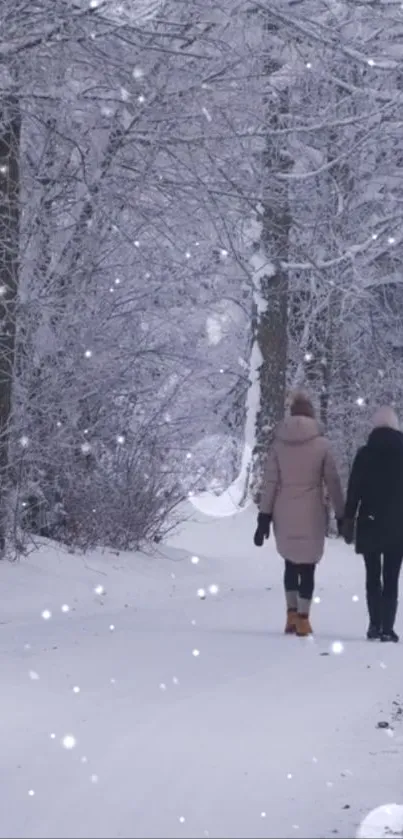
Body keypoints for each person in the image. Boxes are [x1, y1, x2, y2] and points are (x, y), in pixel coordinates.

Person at [254, 391, 344, 637]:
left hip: (284, 511)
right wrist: (341, 514)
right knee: (308, 567)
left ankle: (290, 616)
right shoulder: (322, 445)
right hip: (312, 511)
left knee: (290, 563)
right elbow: (333, 481)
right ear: (311, 415)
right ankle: (304, 618)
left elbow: (270, 483)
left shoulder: (278, 444)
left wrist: (264, 517)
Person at [343, 406, 403, 643]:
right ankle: (388, 627)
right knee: (391, 576)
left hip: (370, 521)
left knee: (372, 575)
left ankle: (374, 624)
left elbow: (354, 489)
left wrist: (348, 518)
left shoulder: (365, 454)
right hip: (398, 524)